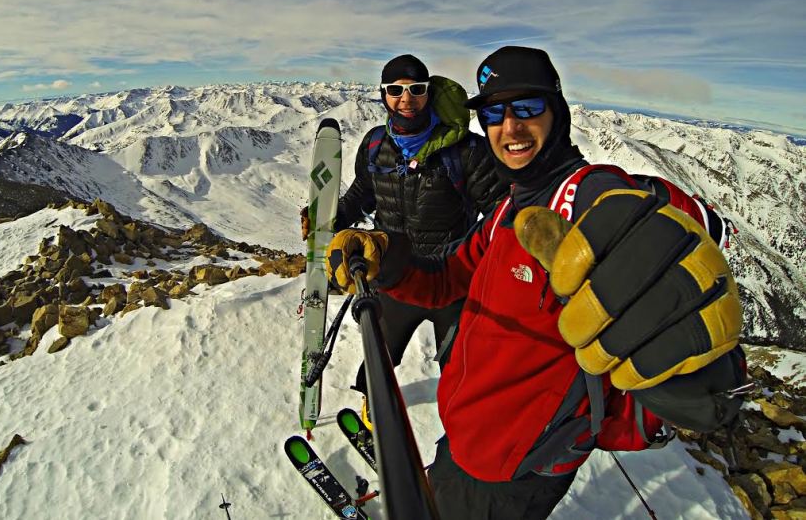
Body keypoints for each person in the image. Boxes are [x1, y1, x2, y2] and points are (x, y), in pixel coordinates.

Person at [326, 46, 745, 519]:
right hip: (469, 430)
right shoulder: (511, 208)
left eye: (527, 107)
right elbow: (448, 277)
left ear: (557, 114)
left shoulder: (584, 196)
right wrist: (389, 258)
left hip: (519, 461)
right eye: (494, 112)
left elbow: (648, 213)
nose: (511, 126)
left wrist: (658, 259)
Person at [302, 53, 508, 427]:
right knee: (380, 351)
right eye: (395, 90)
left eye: (416, 89)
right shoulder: (375, 145)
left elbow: (499, 212)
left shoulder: (466, 151)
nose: (405, 98)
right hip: (394, 273)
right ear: (383, 94)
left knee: (461, 364)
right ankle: (373, 403)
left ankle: (461, 424)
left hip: (453, 278)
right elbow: (364, 192)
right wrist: (332, 221)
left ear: (429, 93)